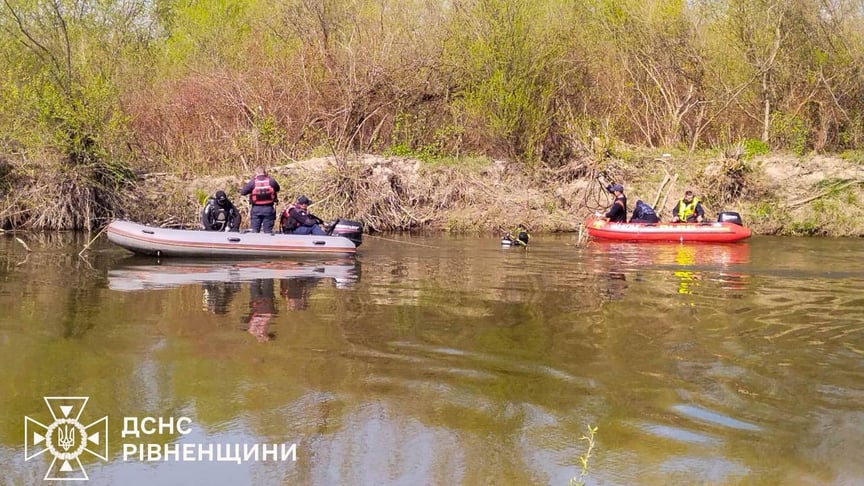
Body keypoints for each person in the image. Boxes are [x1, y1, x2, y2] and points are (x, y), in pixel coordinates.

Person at [240, 167, 281, 233]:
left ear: (256, 173)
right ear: (265, 172)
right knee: (268, 231)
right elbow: (278, 189)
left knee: (255, 231)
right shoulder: (271, 181)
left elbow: (243, 192)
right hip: (269, 208)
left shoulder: (253, 182)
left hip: (256, 208)